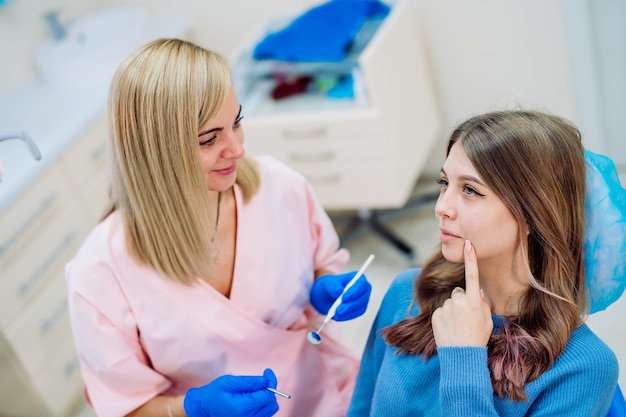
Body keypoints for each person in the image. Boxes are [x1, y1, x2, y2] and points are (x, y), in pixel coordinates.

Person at [65, 38, 372, 417]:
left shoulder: (279, 186)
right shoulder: (100, 273)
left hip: (325, 395)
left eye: (236, 122)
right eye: (209, 139)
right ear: (153, 151)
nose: (237, 149)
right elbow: (125, 407)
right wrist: (191, 408)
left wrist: (326, 285)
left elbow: (323, 259)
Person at [347, 110, 622, 416]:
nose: (442, 207)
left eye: (470, 190)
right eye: (444, 183)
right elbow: (360, 407)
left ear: (535, 214)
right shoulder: (407, 292)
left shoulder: (583, 368)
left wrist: (463, 358)